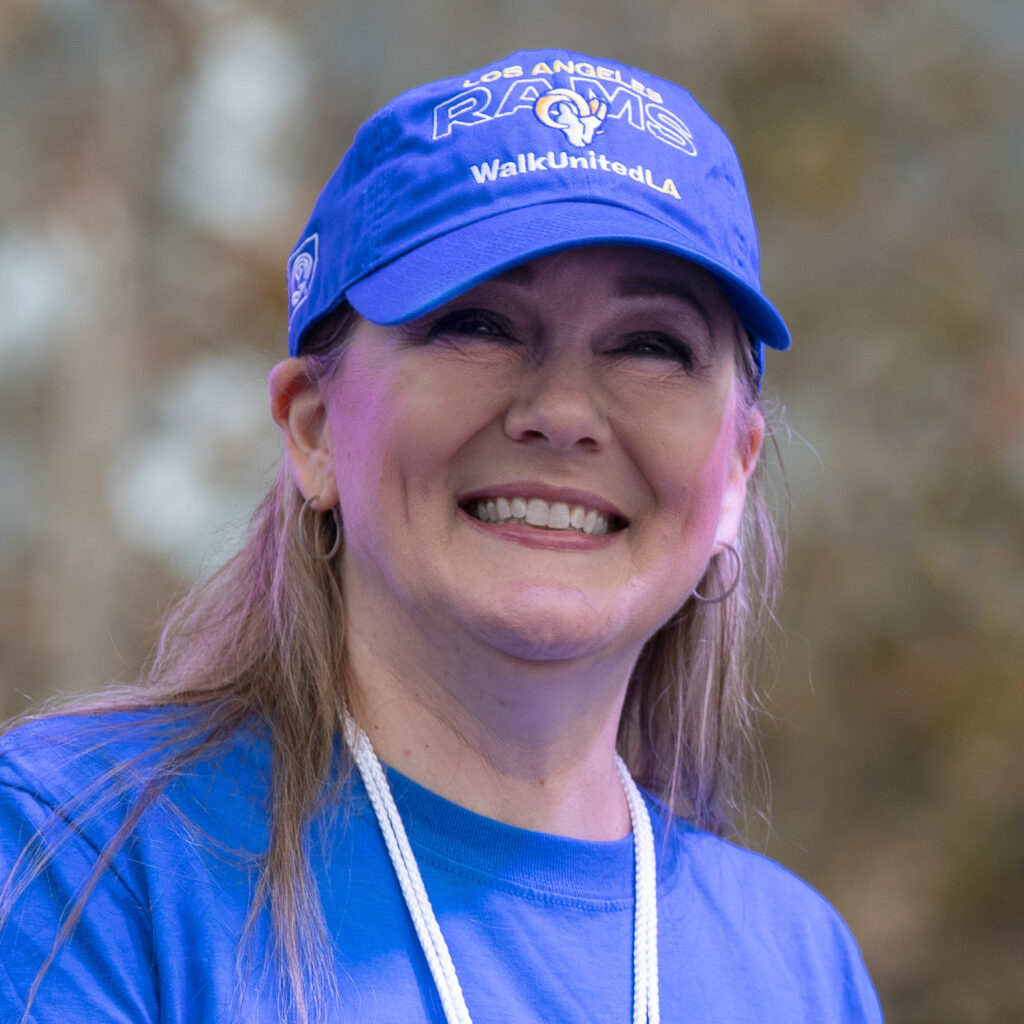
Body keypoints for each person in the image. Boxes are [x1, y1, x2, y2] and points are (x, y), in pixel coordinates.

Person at [0, 49, 883, 1023]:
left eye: (651, 345)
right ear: (314, 429)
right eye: (479, 325)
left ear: (733, 472)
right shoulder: (80, 855)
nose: (561, 413)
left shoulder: (799, 966)